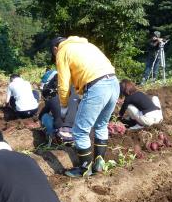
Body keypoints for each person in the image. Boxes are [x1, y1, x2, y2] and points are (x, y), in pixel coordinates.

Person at [51, 36, 120, 178]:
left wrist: (64, 108)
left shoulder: (62, 52)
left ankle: (84, 169)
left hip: (97, 86)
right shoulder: (86, 45)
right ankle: (99, 162)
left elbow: (63, 85)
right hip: (113, 82)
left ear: (55, 49)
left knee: (79, 131)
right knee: (101, 125)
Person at [38, 73, 79, 144]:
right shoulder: (77, 95)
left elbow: (41, 115)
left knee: (45, 116)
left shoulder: (53, 97)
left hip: (61, 134)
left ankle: (52, 137)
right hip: (76, 133)